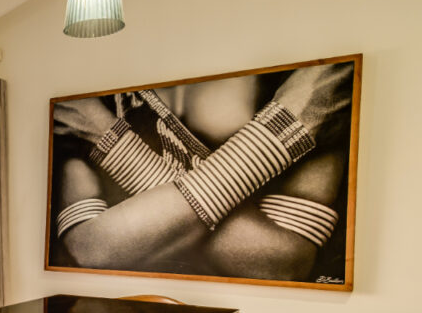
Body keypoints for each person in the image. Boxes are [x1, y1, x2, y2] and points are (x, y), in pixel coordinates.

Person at [50, 62, 353, 281]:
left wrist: (111, 142)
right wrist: (282, 131)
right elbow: (88, 248)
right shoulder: (87, 92)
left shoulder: (316, 81)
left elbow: (279, 263)